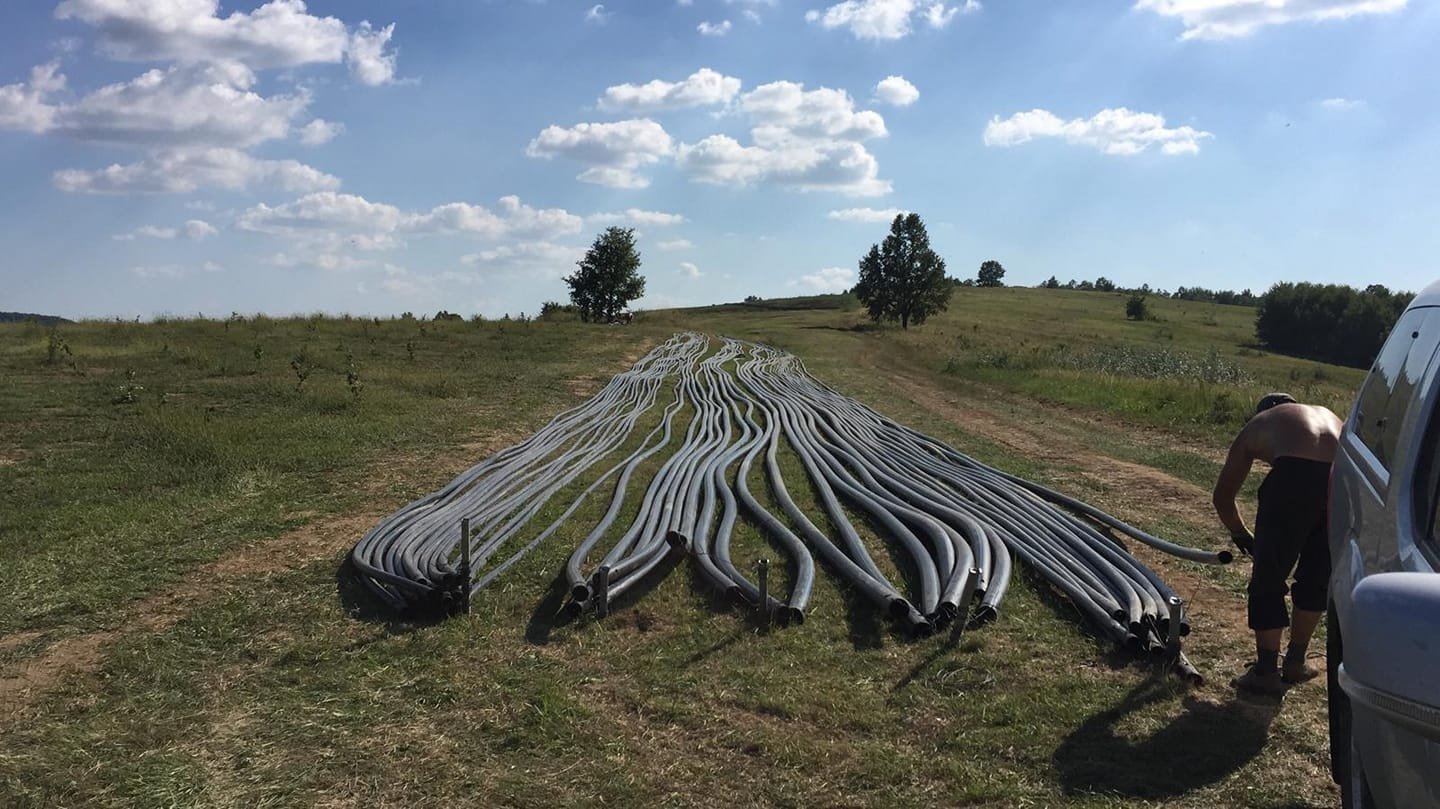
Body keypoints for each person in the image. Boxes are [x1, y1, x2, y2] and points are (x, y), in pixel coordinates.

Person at [1212, 392, 1343, 695]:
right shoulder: (1325, 411)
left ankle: (1266, 672)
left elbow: (1223, 496)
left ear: (1263, 411)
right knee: (1315, 577)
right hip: (1341, 480)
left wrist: (1241, 535)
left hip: (1294, 481)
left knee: (1268, 578)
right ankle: (1296, 663)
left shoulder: (1260, 422)